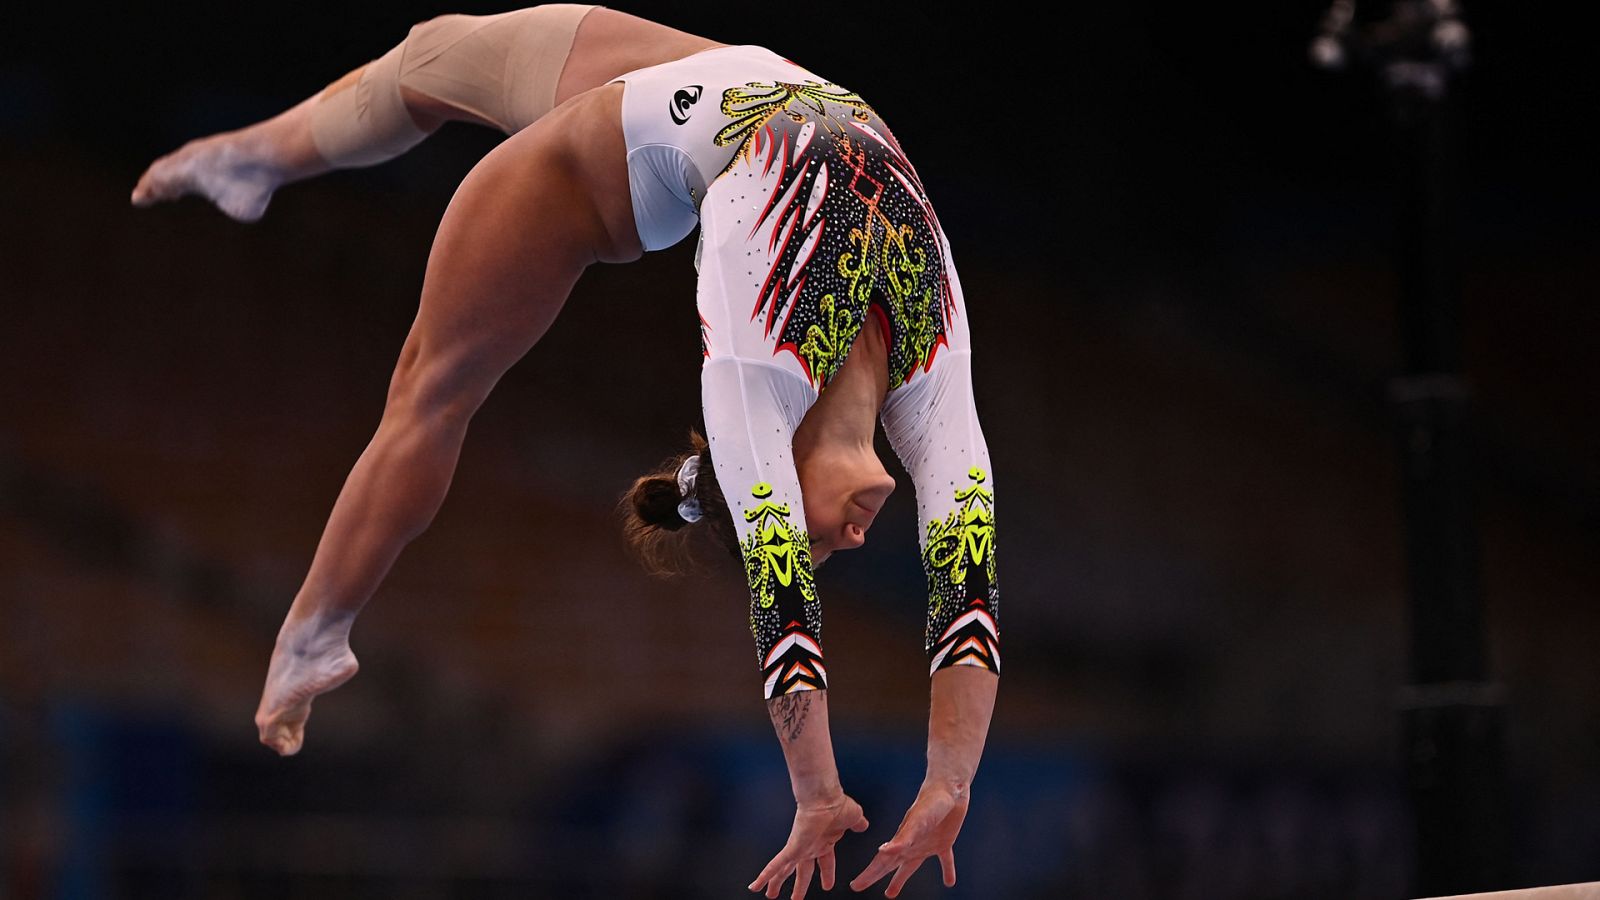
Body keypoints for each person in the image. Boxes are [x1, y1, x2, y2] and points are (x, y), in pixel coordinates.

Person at [132, 7, 1000, 898]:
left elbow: (796, 601)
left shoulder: (755, 371)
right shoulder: (933, 371)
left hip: (598, 171)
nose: (846, 545)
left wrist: (868, 790)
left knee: (429, 392)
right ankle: (253, 158)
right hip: (730, 90)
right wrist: (935, 783)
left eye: (815, 545)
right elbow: (960, 597)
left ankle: (313, 633)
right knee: (431, 51)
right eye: (818, 545)